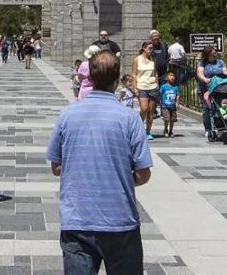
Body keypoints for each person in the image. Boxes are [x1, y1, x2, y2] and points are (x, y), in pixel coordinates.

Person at [46, 50, 152, 275]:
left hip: (77, 219)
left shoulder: (67, 115)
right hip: (120, 219)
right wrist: (118, 177)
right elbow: (143, 174)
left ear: (90, 78)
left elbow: (56, 167)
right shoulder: (130, 119)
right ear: (117, 80)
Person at [194, 46, 222, 143]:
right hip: (205, 89)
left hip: (218, 88)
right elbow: (199, 73)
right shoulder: (202, 63)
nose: (215, 54)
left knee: (218, 108)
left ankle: (219, 127)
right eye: (213, 53)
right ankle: (208, 129)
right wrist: (205, 79)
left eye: (215, 52)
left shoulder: (220, 62)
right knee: (207, 108)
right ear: (208, 54)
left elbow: (225, 72)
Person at [132, 41, 158, 140]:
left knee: (151, 111)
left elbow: (155, 73)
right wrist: (135, 88)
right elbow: (134, 74)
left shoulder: (153, 59)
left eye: (152, 48)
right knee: (144, 109)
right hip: (141, 86)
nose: (151, 50)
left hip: (152, 86)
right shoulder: (137, 59)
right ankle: (138, 127)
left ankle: (148, 132)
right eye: (149, 48)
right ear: (144, 48)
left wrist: (157, 85)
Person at [159, 71, 179, 138]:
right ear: (166, 78)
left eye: (173, 75)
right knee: (167, 119)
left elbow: (177, 95)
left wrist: (177, 103)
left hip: (173, 106)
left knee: (172, 120)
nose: (172, 77)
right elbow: (160, 94)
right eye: (170, 75)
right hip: (165, 106)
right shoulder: (163, 86)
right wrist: (160, 102)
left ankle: (171, 131)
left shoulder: (175, 87)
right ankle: (165, 130)